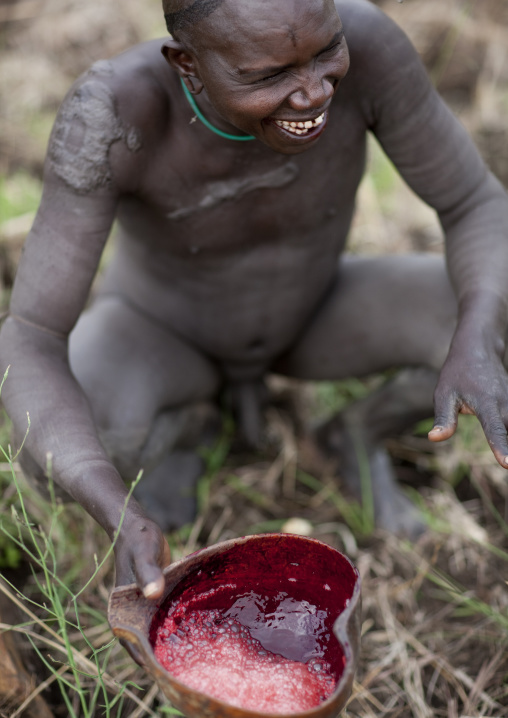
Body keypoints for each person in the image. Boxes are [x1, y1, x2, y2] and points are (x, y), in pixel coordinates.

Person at [1, 0, 508, 602]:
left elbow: (474, 204)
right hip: (164, 333)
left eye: (326, 53)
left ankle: (355, 434)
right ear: (187, 65)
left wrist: (475, 335)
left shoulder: (371, 46)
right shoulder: (115, 113)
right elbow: (31, 333)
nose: (313, 93)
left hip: (316, 309)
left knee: (496, 308)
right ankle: (187, 429)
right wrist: (114, 506)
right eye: (268, 77)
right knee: (50, 442)